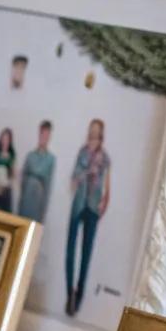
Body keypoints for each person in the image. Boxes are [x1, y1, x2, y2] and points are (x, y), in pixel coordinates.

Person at [64, 118, 111, 315]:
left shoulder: (105, 158)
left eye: (96, 131)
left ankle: (80, 295)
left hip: (92, 207)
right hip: (78, 204)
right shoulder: (82, 152)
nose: (93, 133)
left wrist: (103, 205)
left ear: (101, 134)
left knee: (86, 255)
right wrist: (86, 172)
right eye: (91, 129)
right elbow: (73, 181)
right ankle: (69, 294)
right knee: (70, 251)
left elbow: (107, 186)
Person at [18, 121, 55, 222]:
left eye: (48, 135)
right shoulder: (30, 155)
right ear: (39, 134)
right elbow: (23, 179)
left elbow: (48, 186)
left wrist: (43, 210)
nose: (45, 137)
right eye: (43, 134)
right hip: (26, 196)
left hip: (39, 198)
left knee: (34, 228)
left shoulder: (51, 159)